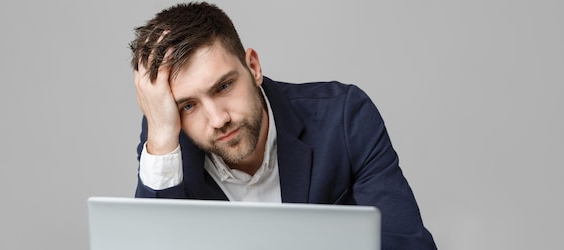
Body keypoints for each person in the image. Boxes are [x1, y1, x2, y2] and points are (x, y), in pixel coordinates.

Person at [129, 2, 436, 249]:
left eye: (223, 87)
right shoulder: (168, 148)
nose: (218, 119)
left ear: (253, 66)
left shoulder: (343, 117)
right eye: (188, 105)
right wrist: (160, 138)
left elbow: (408, 244)